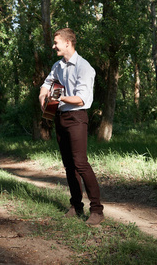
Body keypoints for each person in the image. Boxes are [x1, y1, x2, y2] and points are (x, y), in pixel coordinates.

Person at [39, 28, 104, 225]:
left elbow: (81, 98)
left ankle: (97, 210)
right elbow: (47, 82)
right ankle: (76, 206)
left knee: (81, 163)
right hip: (60, 116)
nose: (53, 45)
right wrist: (43, 97)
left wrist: (56, 98)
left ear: (68, 43)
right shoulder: (58, 66)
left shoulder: (84, 67)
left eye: (56, 42)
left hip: (77, 117)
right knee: (69, 165)